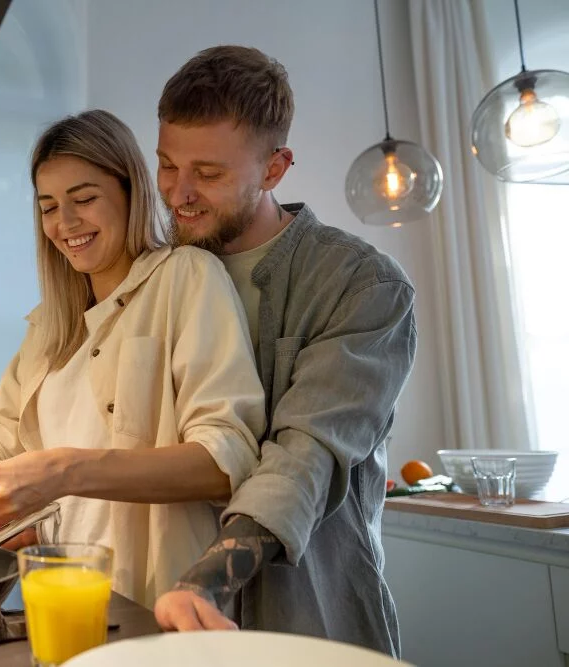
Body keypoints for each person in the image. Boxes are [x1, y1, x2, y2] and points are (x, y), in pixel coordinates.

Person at [0, 109, 267, 607]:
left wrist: (62, 469)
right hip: (64, 596)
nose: (65, 223)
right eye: (48, 207)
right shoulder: (49, 325)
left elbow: (225, 460)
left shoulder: (185, 278)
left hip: (156, 605)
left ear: (130, 192)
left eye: (84, 199)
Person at [150, 45, 417, 657]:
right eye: (167, 165)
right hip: (161, 614)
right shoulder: (158, 274)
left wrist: (211, 578)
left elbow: (308, 451)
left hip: (310, 614)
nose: (179, 194)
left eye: (209, 174)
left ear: (275, 168)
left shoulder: (362, 284)